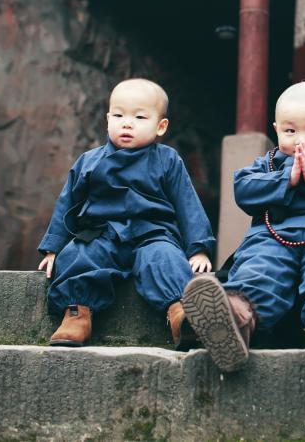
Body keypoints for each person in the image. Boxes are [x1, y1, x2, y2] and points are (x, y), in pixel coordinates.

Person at [182, 81, 305, 375]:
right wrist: (287, 179)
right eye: (290, 131)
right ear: (276, 130)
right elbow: (243, 188)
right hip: (271, 238)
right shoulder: (269, 164)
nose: (301, 140)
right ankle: (234, 320)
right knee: (258, 271)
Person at [36, 78, 214, 350]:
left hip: (153, 232)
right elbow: (67, 203)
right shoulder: (90, 161)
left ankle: (182, 314)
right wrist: (53, 247)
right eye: (118, 115)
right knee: (79, 255)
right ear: (108, 119)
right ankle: (77, 312)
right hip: (100, 232)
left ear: (160, 126)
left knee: (165, 258)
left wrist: (198, 248)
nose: (127, 123)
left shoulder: (167, 159)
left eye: (139, 117)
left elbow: (187, 203)